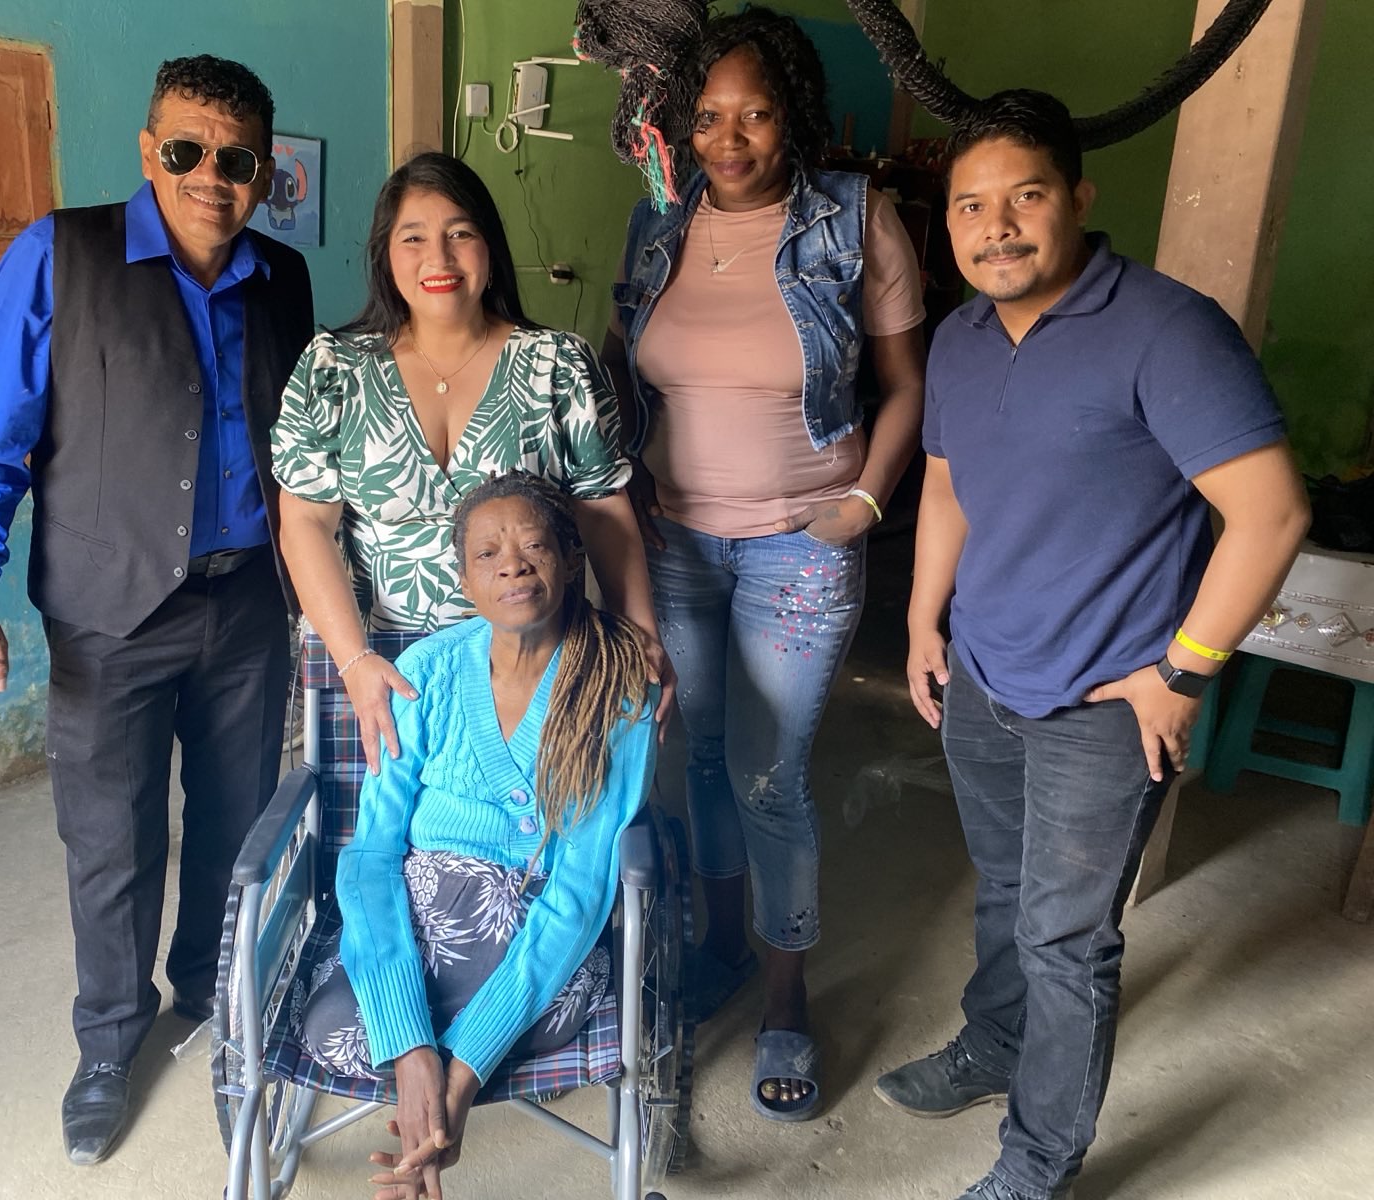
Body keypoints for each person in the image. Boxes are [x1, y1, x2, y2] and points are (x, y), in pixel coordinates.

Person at [874, 90, 1310, 1200]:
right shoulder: (962, 337)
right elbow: (946, 486)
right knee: (1001, 890)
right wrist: (924, 619)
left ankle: (1037, 1165)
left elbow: (1271, 514)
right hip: (983, 673)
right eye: (969, 205)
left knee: (1066, 943)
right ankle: (994, 1043)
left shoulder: (1167, 331)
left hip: (1108, 704)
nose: (996, 227)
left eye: (1024, 196)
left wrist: (1183, 673)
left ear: (1077, 197)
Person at [0, 56, 313, 1165]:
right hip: (109, 613)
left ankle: (211, 986)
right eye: (186, 150)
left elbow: (306, 448)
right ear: (149, 151)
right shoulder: (62, 255)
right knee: (110, 839)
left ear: (264, 172)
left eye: (236, 159)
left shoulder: (282, 278)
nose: (210, 176)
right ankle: (107, 1041)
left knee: (237, 822)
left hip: (248, 604)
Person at [602, 6, 926, 1120]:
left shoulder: (854, 217)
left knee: (765, 772)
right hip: (676, 540)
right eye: (707, 116)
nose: (727, 138)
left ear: (794, 118)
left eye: (754, 114)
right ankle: (720, 951)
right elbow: (621, 364)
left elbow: (906, 385)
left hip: (801, 547)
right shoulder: (657, 220)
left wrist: (864, 503)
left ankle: (787, 997)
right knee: (697, 757)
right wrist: (618, 484)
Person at [274, 472, 658, 1200]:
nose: (512, 565)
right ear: (464, 580)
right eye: (487, 554)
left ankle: (443, 1097)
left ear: (570, 560)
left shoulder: (617, 687)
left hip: (537, 927)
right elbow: (372, 855)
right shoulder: (425, 672)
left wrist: (462, 1074)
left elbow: (579, 890)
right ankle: (424, 1078)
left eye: (533, 546)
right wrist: (412, 1049)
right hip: (419, 907)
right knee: (333, 1027)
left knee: (549, 1011)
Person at [271, 151, 670, 835]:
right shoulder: (333, 368)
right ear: (386, 253)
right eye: (414, 237)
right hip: (379, 658)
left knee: (526, 848)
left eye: (460, 232)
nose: (440, 257)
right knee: (374, 850)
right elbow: (305, 522)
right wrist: (356, 662)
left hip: (531, 654)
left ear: (490, 246)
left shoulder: (558, 365)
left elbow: (606, 512)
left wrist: (641, 639)